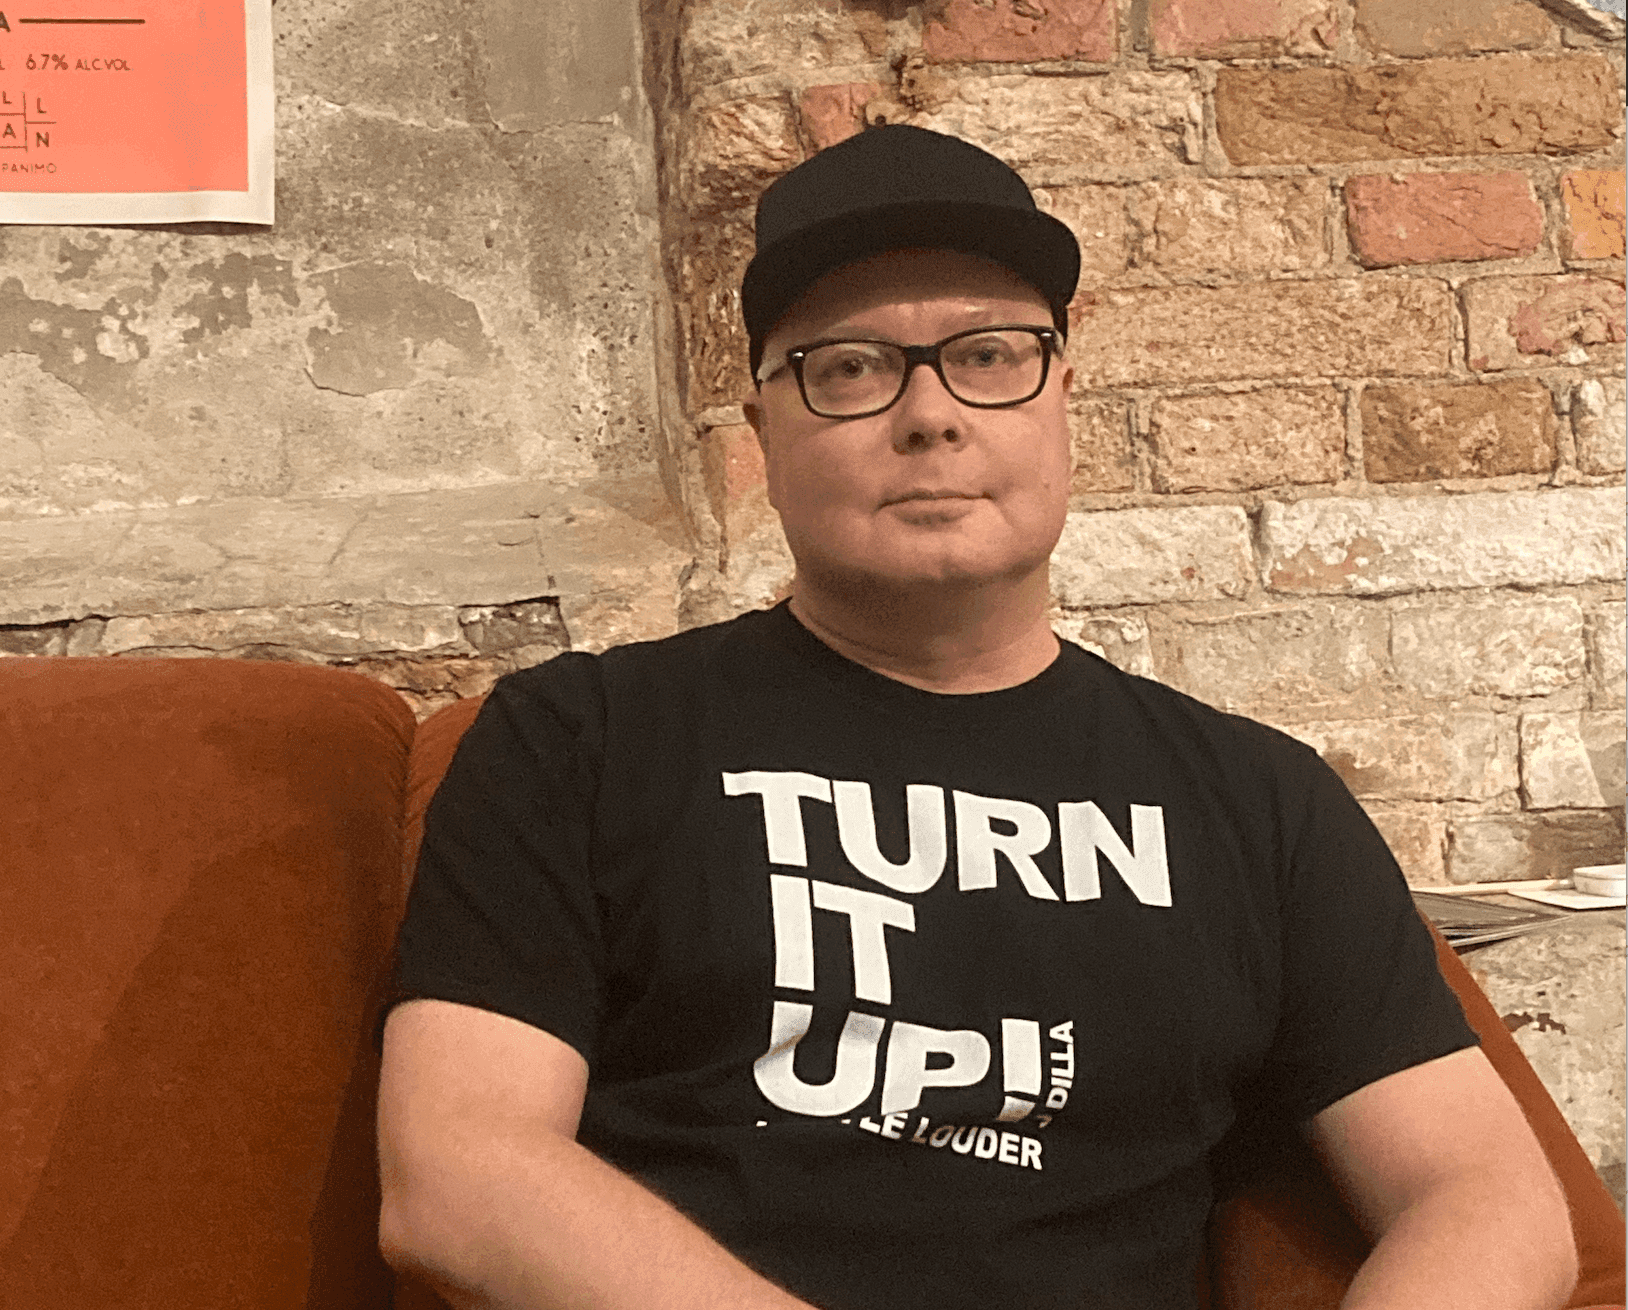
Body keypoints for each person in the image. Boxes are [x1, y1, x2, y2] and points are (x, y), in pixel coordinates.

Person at [374, 125, 1578, 1310]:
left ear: (1062, 396)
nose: (929, 414)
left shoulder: (1257, 801)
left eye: (990, 354)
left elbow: (1486, 1196)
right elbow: (459, 1172)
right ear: (763, 433)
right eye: (849, 367)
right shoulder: (577, 739)